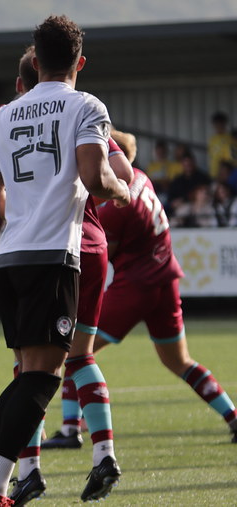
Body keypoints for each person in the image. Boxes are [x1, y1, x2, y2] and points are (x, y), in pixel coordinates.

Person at [0, 15, 130, 507]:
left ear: (34, 59)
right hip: (55, 255)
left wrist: (28, 213)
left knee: (28, 370)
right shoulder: (86, 106)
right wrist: (122, 190)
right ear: (80, 62)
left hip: (10, 257)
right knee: (46, 375)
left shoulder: (4, 116)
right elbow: (97, 179)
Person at [92, 130, 237, 444]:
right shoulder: (142, 178)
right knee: (179, 361)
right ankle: (233, 416)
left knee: (78, 351)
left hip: (135, 286)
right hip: (165, 280)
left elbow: (106, 254)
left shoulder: (116, 205)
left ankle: (68, 429)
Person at [207, 111, 237, 181]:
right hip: (213, 174)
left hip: (227, 175)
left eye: (221, 123)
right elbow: (211, 157)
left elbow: (234, 159)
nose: (219, 126)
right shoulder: (211, 140)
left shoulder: (231, 139)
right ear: (213, 125)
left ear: (225, 124)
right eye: (216, 123)